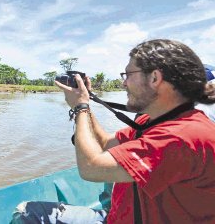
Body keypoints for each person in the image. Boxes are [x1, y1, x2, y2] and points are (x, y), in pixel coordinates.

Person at [11, 39, 215, 223]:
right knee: (28, 212)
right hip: (116, 216)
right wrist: (86, 102)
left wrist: (80, 107)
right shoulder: (153, 121)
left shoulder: (183, 136)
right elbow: (105, 144)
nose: (123, 82)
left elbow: (91, 168)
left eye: (128, 74)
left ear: (154, 78)